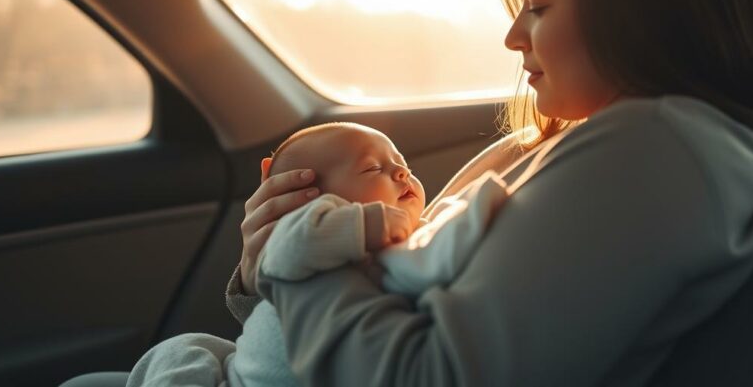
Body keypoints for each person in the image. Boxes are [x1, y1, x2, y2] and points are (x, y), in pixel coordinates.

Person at [228, 0, 753, 387]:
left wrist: (300, 256)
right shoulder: (556, 144)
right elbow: (388, 294)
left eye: (539, 6)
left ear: (635, 10)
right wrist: (269, 276)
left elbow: (426, 377)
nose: (513, 35)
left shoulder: (654, 159)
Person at [126, 122, 512, 387]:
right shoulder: (309, 229)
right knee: (189, 348)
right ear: (309, 201)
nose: (402, 175)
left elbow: (437, 259)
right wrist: (369, 223)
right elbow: (292, 247)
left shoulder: (406, 243)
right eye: (374, 168)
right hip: (244, 374)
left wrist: (475, 211)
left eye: (404, 167)